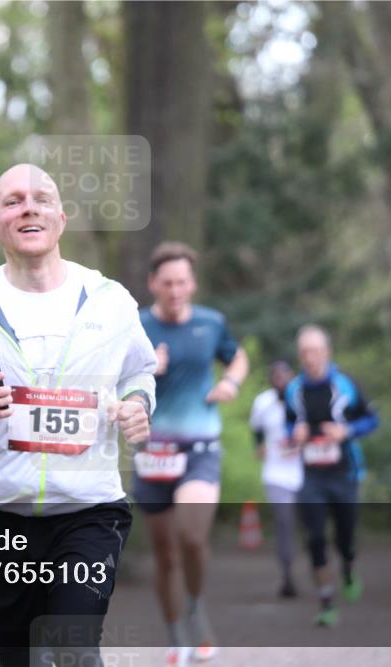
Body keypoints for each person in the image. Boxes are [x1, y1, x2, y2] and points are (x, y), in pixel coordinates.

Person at [0, 163, 156, 667]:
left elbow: (140, 373)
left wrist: (137, 405)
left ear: (61, 219)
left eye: (42, 198)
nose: (29, 207)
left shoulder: (111, 303)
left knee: (74, 648)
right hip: (1, 518)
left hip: (90, 512)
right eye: (13, 200)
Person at [133, 242, 248, 666]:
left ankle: (197, 606)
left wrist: (231, 384)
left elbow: (237, 358)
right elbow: (111, 382)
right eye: (167, 283)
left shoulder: (211, 323)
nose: (176, 290)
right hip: (152, 452)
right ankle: (175, 632)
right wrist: (146, 369)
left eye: (182, 282)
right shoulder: (136, 326)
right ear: (153, 284)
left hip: (200, 448)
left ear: (193, 283)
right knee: (164, 554)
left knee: (192, 538)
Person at [285, 324, 378, 628]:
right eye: (304, 352)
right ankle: (326, 603)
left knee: (345, 539)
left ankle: (349, 567)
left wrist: (346, 431)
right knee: (314, 538)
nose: (309, 357)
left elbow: (371, 419)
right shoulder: (293, 389)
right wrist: (293, 433)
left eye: (315, 351)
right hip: (311, 476)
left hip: (344, 474)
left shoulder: (345, 384)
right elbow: (289, 423)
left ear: (327, 352)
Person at [249, 360, 301, 598]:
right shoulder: (263, 402)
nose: (279, 381)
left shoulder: (302, 398)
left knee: (311, 524)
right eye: (275, 377)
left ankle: (319, 568)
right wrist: (259, 446)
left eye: (284, 376)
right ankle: (287, 574)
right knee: (284, 524)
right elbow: (256, 429)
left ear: (291, 377)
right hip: (277, 473)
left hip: (306, 472)